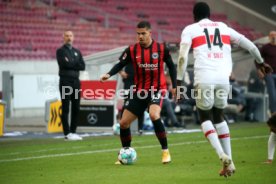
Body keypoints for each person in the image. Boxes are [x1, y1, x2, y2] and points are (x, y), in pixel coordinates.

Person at [176, 2, 273, 177]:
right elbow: (250, 46)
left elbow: (182, 56)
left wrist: (178, 82)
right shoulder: (223, 27)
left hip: (204, 77)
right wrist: (260, 62)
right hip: (223, 79)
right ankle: (231, 163)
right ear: (209, 14)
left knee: (204, 116)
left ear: (194, 15)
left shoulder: (190, 29)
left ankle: (222, 155)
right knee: (218, 116)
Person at [100, 21, 177, 164]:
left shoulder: (161, 49)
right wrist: (109, 74)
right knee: (123, 123)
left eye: (143, 33)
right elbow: (120, 64)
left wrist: (175, 85)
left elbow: (172, 67)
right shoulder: (131, 50)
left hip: (157, 89)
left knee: (154, 115)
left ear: (150, 33)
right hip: (139, 92)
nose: (140, 36)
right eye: (138, 34)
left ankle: (165, 151)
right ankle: (125, 152)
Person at [56, 30, 85, 141]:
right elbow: (64, 64)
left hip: (76, 82)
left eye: (71, 36)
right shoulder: (60, 51)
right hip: (65, 81)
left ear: (73, 37)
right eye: (67, 36)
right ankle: (67, 133)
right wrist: (74, 63)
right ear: (63, 37)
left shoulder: (77, 51)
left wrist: (71, 63)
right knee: (66, 107)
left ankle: (73, 132)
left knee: (76, 107)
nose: (69, 37)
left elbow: (83, 66)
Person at [119, 63, 145, 135]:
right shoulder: (128, 52)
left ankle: (140, 128)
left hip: (140, 83)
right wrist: (121, 71)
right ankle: (124, 127)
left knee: (141, 105)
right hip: (129, 82)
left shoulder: (144, 53)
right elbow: (119, 63)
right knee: (126, 105)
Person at [260, 31, 276, 114]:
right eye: (272, 36)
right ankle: (273, 112)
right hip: (269, 73)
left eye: (275, 36)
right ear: (269, 37)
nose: (273, 37)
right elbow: (258, 59)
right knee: (272, 93)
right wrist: (260, 70)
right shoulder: (265, 47)